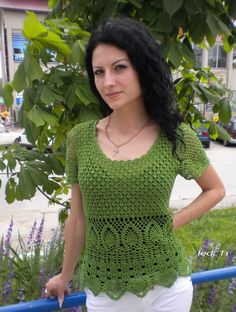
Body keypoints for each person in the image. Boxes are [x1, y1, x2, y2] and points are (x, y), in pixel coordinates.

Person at [45, 17, 225, 311]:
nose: (108, 82)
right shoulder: (80, 139)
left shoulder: (173, 136)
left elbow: (215, 189)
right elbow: (77, 218)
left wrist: (173, 222)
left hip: (168, 287)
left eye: (120, 68)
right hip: (105, 291)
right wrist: (65, 276)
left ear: (142, 68)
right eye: (99, 72)